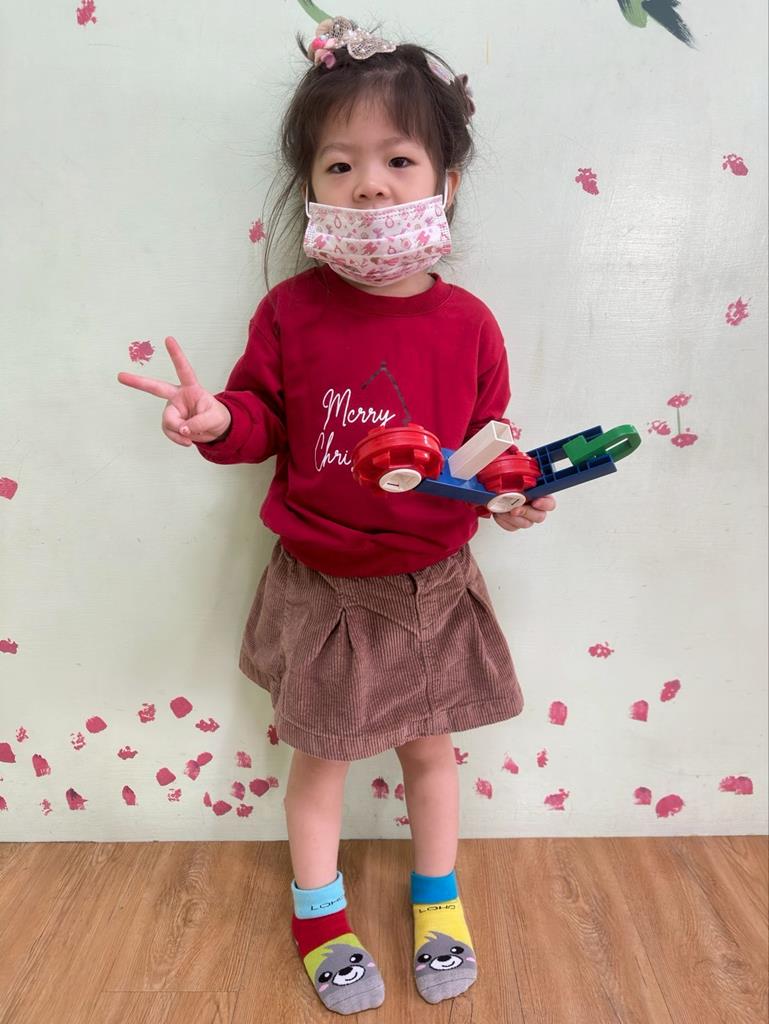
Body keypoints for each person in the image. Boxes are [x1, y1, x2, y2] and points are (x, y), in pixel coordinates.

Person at [118, 13, 556, 1015]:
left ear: (446, 181)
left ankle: (437, 899)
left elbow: (487, 449)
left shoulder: (469, 324)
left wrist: (511, 497)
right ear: (310, 187)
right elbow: (259, 419)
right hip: (323, 590)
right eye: (340, 164)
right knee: (321, 760)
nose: (371, 185)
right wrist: (215, 420)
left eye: (399, 160)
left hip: (434, 585)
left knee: (432, 752)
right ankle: (317, 914)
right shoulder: (290, 312)